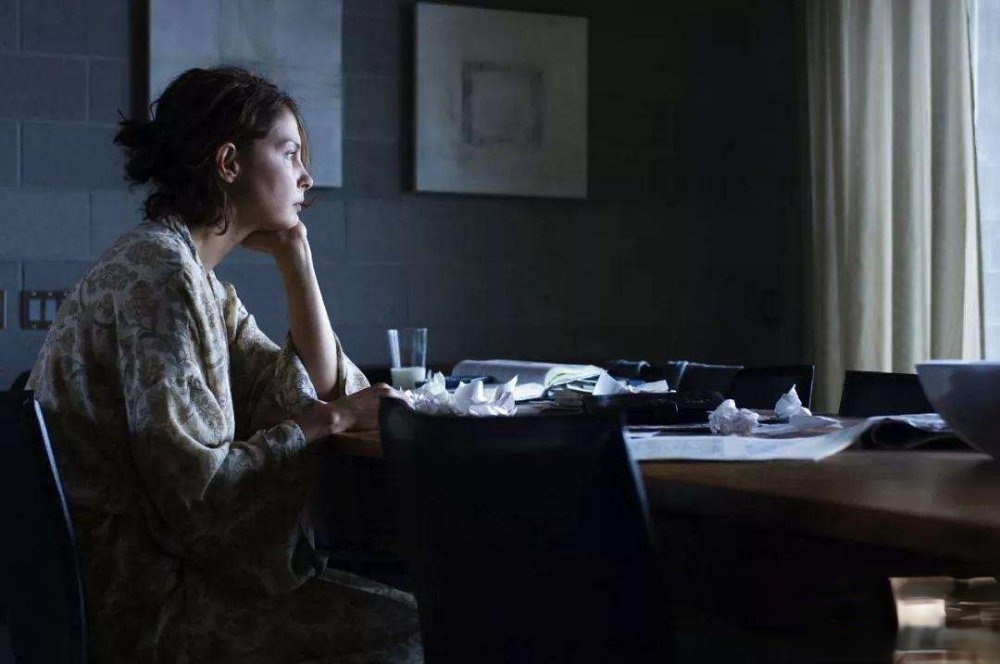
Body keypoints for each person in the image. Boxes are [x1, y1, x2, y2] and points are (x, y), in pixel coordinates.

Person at [28, 67, 421, 663]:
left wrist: (296, 256)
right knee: (421, 628)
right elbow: (201, 497)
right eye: (289, 153)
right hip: (147, 608)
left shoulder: (193, 278)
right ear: (229, 162)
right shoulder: (160, 275)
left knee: (419, 614)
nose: (306, 176)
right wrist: (333, 420)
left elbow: (316, 388)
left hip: (158, 586)